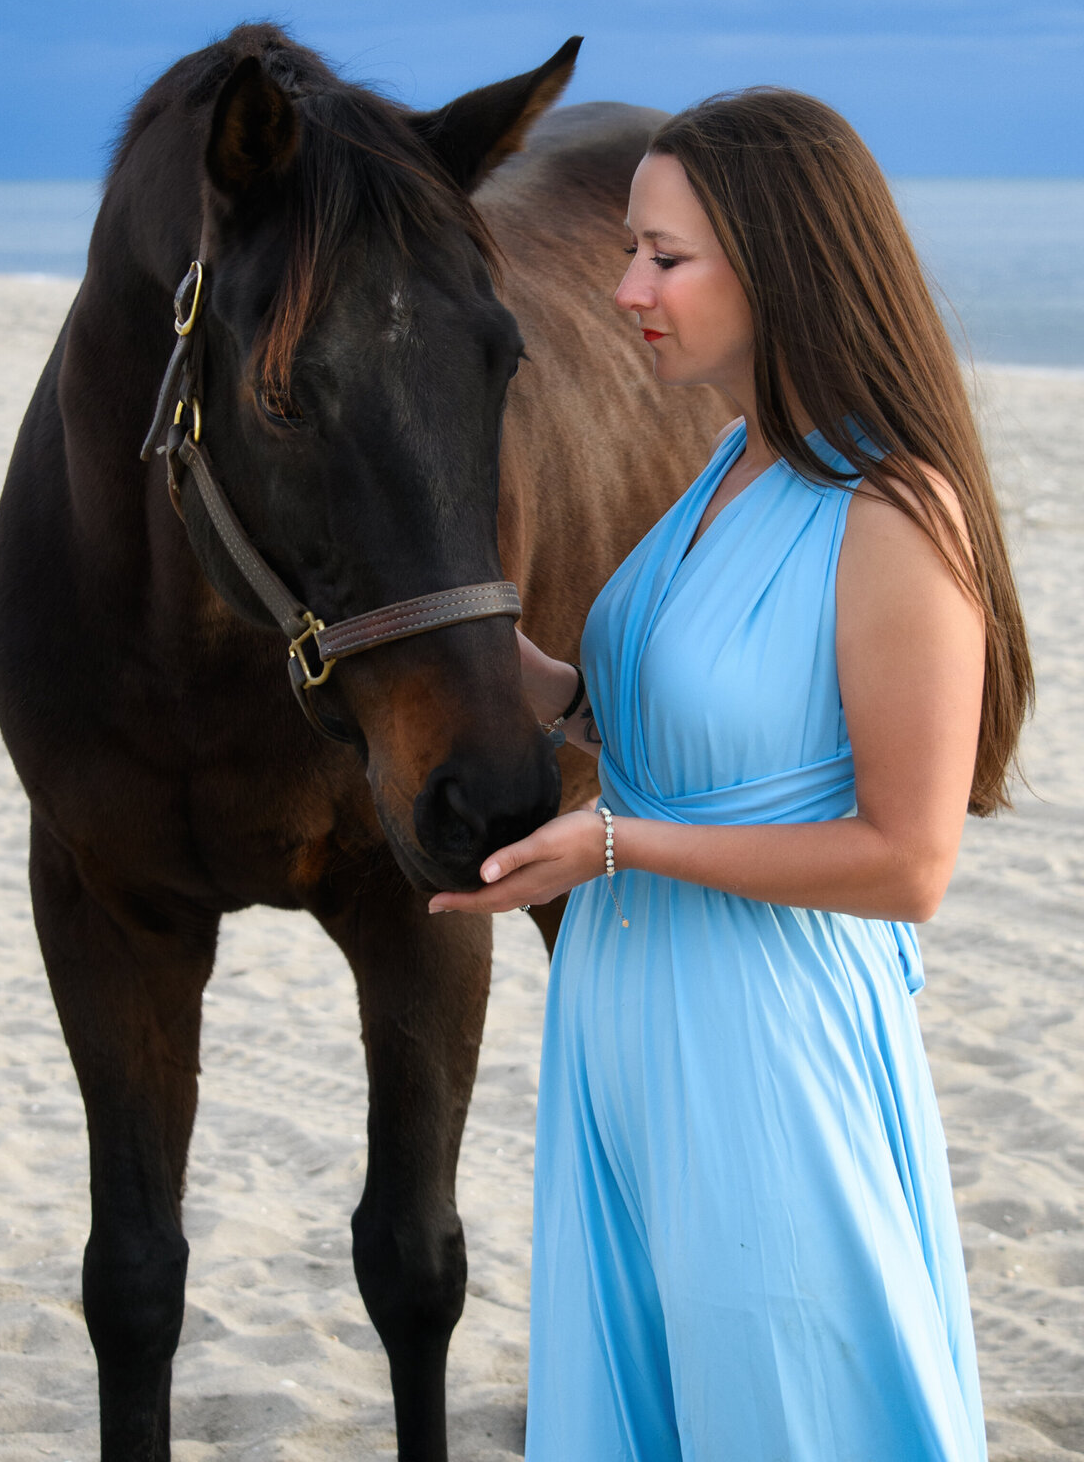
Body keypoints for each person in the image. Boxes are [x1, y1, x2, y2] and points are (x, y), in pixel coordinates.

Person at [429, 87, 1033, 1460]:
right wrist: (472, 660)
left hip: (763, 1041)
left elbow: (906, 863)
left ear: (784, 263)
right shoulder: (725, 466)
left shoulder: (891, 508)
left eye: (664, 256)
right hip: (625, 1022)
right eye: (634, 247)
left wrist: (616, 844)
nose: (626, 285)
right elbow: (655, 706)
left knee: (784, 1405)